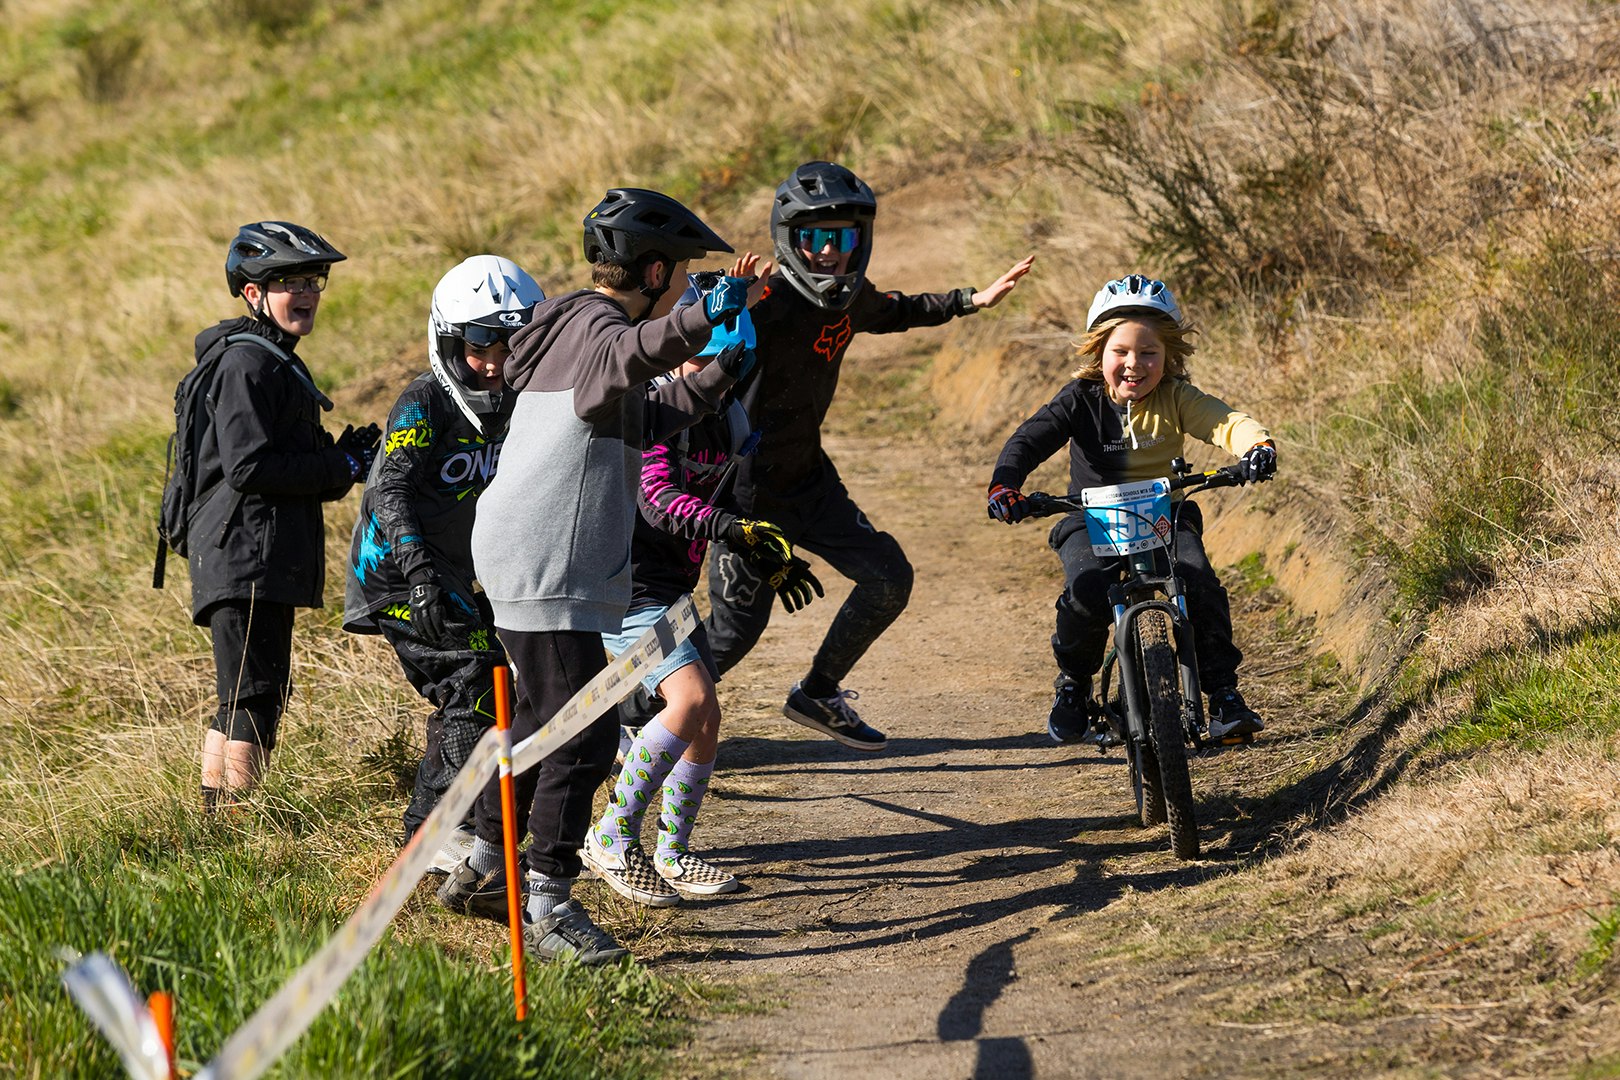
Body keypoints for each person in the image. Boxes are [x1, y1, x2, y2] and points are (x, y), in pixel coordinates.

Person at [435, 188, 762, 964]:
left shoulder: (566, 329)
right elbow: (631, 356)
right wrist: (704, 317)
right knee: (581, 739)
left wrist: (722, 368)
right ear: (651, 270)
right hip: (549, 559)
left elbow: (645, 413)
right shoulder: (596, 327)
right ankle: (546, 906)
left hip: (527, 552)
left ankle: (486, 864)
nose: (684, 287)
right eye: (680, 276)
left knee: (546, 721)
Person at [702, 160, 1036, 751]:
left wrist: (970, 300)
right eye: (815, 237)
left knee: (889, 577)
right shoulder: (762, 305)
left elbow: (899, 310)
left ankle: (817, 693)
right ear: (789, 239)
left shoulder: (850, 301)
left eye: (845, 237)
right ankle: (633, 718)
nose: (830, 251)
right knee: (732, 636)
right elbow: (685, 355)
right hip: (743, 496)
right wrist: (727, 309)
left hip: (809, 481)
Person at [586, 274, 821, 907]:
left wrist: (765, 556)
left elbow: (734, 501)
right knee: (687, 703)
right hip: (626, 586)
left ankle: (672, 852)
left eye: (722, 359)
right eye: (695, 355)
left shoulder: (732, 420)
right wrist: (728, 526)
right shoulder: (657, 407)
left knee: (707, 720)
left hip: (670, 588)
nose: (706, 370)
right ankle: (611, 837)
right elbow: (657, 499)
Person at [985, 274, 1277, 744]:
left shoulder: (1177, 397)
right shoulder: (1080, 398)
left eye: (1149, 353)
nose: (1133, 365)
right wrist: (1006, 486)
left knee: (1198, 582)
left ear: (1169, 356)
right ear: (1099, 351)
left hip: (1165, 514)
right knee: (1086, 593)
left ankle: (1223, 695)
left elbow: (1224, 422)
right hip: (1090, 517)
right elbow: (1028, 440)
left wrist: (1257, 445)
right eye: (1120, 352)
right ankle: (1074, 687)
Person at [342, 255, 544, 869]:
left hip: (456, 572)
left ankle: (464, 820)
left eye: (512, 346)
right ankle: (427, 832)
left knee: (506, 684)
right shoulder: (425, 400)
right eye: (480, 347)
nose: (494, 363)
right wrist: (421, 574)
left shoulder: (516, 401)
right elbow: (390, 489)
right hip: (397, 571)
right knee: (476, 683)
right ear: (449, 340)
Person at [191, 221, 380, 808]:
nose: (305, 292)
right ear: (253, 293)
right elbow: (250, 467)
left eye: (312, 279)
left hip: (250, 550)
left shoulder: (268, 360)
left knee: (244, 692)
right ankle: (241, 830)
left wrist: (337, 459)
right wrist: (339, 467)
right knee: (257, 694)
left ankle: (218, 827)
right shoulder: (249, 365)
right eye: (286, 281)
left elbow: (272, 463)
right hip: (244, 553)